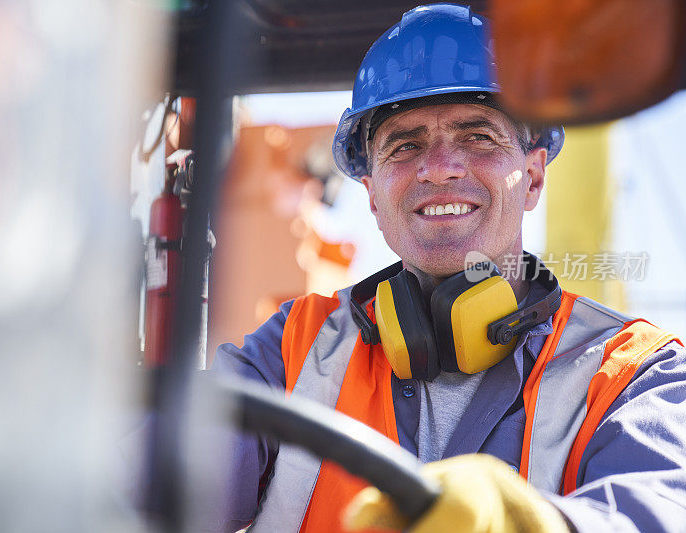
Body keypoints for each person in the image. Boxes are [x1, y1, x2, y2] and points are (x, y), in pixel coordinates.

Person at [211, 3, 686, 532]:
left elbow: (658, 511)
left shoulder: (636, 375)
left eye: (478, 137)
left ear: (532, 178)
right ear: (371, 195)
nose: (438, 169)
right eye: (405, 145)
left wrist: (534, 524)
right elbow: (163, 474)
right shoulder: (293, 349)